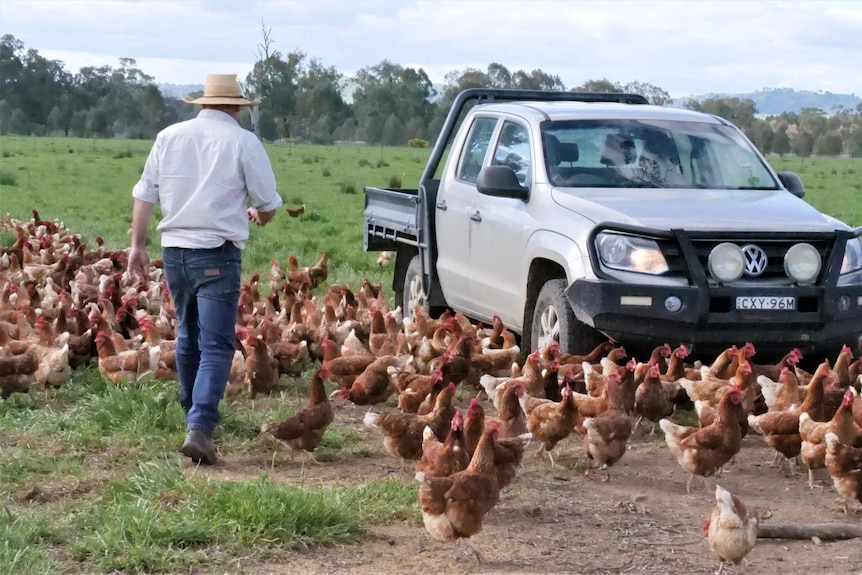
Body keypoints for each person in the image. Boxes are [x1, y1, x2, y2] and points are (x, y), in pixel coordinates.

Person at [128, 73, 282, 465]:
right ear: (236, 108)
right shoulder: (244, 142)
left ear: (203, 104)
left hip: (175, 253)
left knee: (187, 336)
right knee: (216, 345)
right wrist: (260, 217)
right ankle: (199, 427)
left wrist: (137, 245)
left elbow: (145, 195)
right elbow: (267, 203)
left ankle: (190, 413)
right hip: (216, 254)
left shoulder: (168, 136)